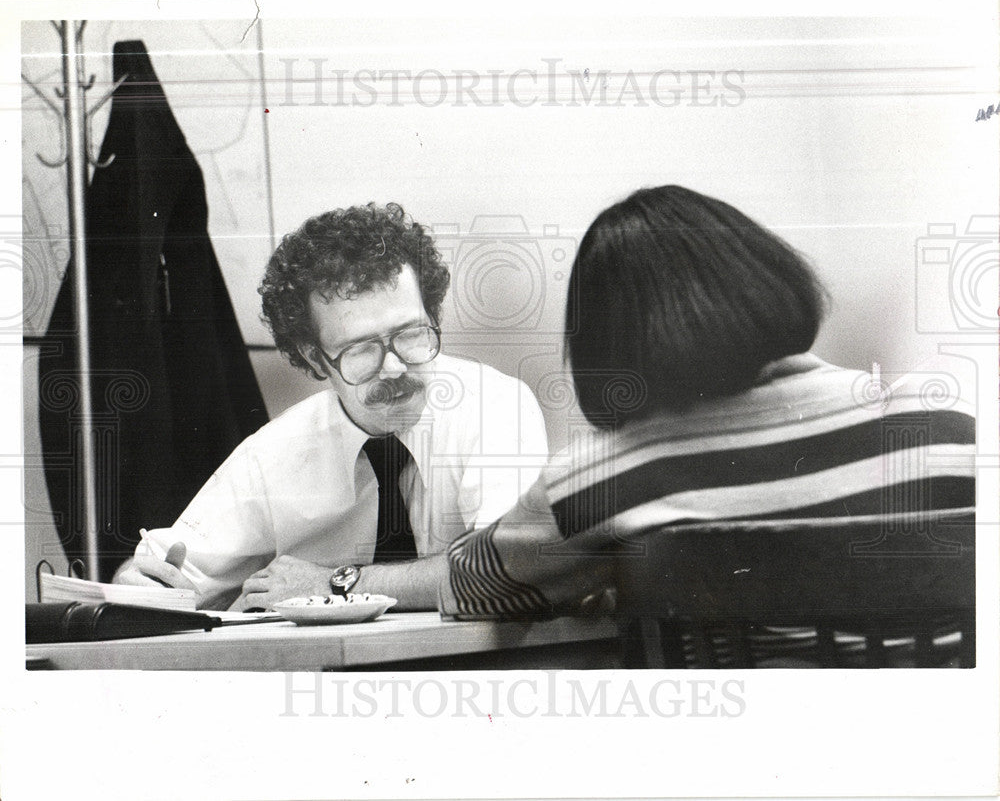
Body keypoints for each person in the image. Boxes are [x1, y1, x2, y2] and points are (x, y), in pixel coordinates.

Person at [438, 185, 977, 619]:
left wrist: (600, 565)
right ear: (768, 276)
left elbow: (470, 587)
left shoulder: (602, 481)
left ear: (606, 344)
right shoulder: (945, 428)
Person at [113, 202, 548, 610]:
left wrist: (334, 584)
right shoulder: (274, 453)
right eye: (361, 349)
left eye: (411, 333)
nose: (395, 368)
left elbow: (505, 569)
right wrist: (137, 584)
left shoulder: (495, 408)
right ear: (313, 357)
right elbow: (164, 569)